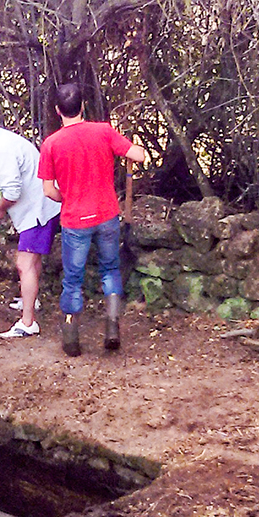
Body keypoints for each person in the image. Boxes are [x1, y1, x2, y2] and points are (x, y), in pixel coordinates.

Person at [36, 82, 147, 356]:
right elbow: (139, 156)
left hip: (75, 220)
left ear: (57, 110)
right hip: (107, 214)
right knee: (110, 269)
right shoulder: (104, 131)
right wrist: (138, 147)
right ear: (83, 106)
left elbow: (49, 190)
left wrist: (69, 197)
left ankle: (72, 337)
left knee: (73, 278)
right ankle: (111, 326)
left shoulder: (51, 144)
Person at [0, 112, 60, 338]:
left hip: (38, 211)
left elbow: (12, 191)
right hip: (37, 209)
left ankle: (27, 323)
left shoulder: (3, 149)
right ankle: (30, 301)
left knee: (24, 263)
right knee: (31, 262)